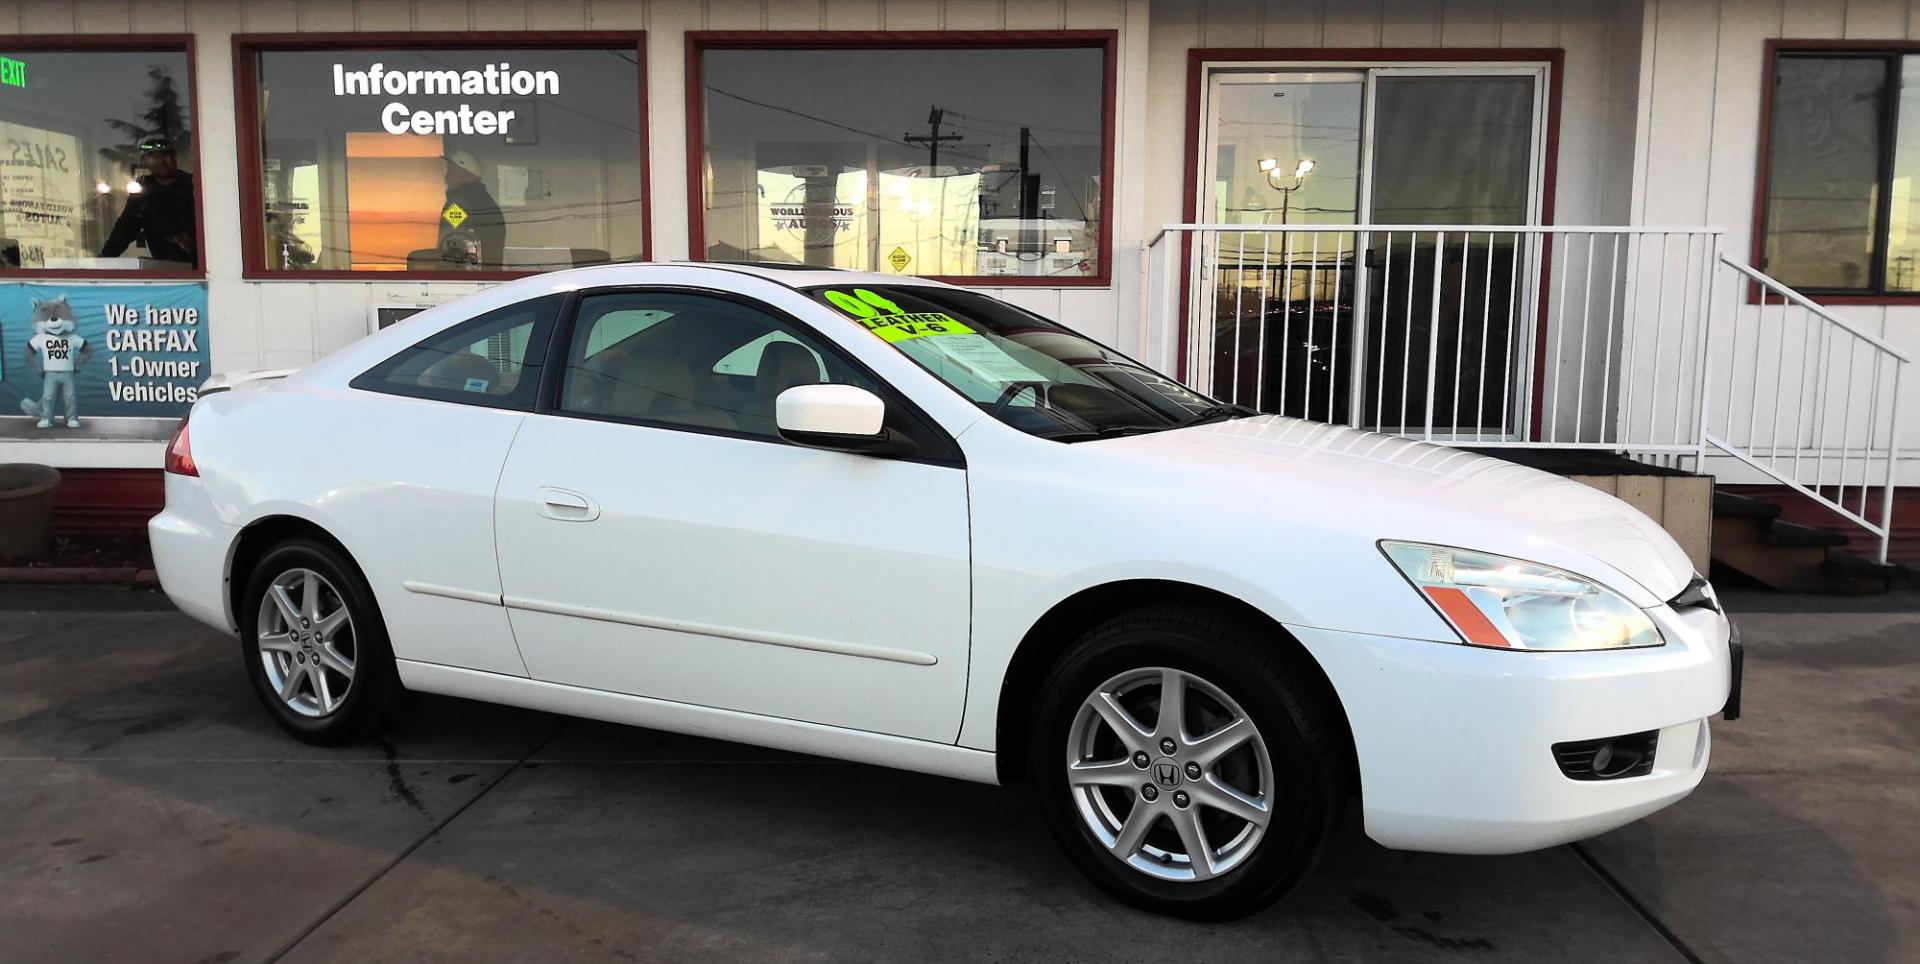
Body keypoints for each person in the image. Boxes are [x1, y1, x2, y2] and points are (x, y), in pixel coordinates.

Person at [99, 138, 197, 267]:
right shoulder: (143, 190)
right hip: (166, 268)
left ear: (174, 157)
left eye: (165, 155)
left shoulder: (193, 185)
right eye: (153, 157)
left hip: (203, 267)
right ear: (144, 161)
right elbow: (126, 227)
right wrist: (103, 261)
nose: (161, 161)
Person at [438, 149, 506, 270]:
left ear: (465, 174)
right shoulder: (487, 203)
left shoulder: (459, 204)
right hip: (488, 276)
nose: (446, 177)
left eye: (451, 171)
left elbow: (450, 244)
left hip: (465, 277)